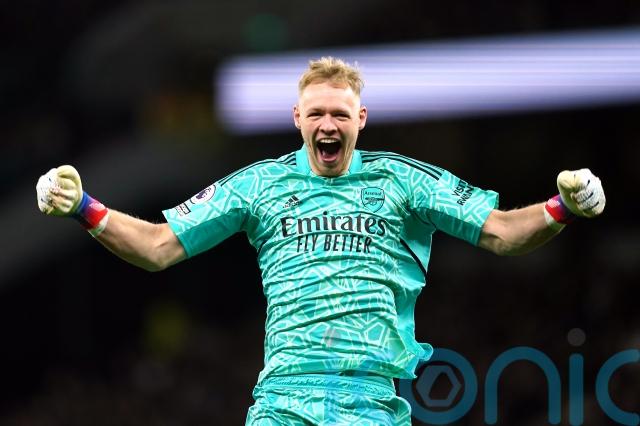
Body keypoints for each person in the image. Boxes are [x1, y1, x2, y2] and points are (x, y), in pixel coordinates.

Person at [36, 57, 605, 425]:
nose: (327, 124)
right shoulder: (258, 185)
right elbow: (158, 246)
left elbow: (503, 233)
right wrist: (85, 207)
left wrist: (563, 208)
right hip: (283, 398)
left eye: (339, 113)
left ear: (361, 118)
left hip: (371, 400)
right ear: (297, 118)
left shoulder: (402, 180)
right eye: (316, 114)